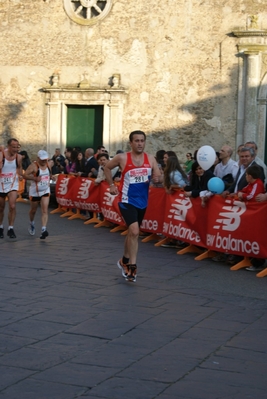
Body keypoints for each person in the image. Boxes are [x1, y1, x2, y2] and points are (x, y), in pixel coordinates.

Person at [104, 130, 162, 282]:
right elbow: (107, 167)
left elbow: (158, 176)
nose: (139, 143)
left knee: (132, 232)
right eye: (136, 141)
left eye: (142, 140)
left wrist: (157, 178)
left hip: (142, 202)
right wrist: (111, 185)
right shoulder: (122, 157)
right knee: (135, 231)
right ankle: (133, 267)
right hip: (126, 200)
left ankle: (124, 260)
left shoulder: (150, 159)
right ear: (131, 143)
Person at [24, 150, 53, 239]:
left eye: (45, 159)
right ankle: (31, 223)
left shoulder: (48, 164)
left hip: (45, 190)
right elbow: (25, 175)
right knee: (33, 210)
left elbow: (49, 174)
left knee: (44, 210)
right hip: (35, 192)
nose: (44, 161)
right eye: (42, 160)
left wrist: (52, 177)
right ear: (38, 158)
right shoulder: (33, 166)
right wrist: (34, 178)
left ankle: (43, 230)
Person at [0, 138, 23, 239]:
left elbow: (19, 167)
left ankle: (11, 228)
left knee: (12, 206)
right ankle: (0, 227)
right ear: (8, 146)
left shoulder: (19, 157)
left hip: (12, 183)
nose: (15, 149)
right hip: (1, 184)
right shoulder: (1, 155)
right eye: (13, 147)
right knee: (1, 208)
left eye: (17, 147)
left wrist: (21, 175)